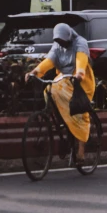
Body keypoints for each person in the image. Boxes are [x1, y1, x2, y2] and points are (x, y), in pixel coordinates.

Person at [25, 22, 95, 163]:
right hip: (64, 80)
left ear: (68, 36)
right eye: (58, 41)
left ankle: (81, 149)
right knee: (49, 90)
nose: (60, 43)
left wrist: (80, 73)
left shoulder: (80, 43)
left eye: (62, 40)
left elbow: (81, 60)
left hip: (80, 83)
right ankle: (63, 120)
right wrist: (34, 72)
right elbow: (49, 61)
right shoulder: (57, 46)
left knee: (79, 112)